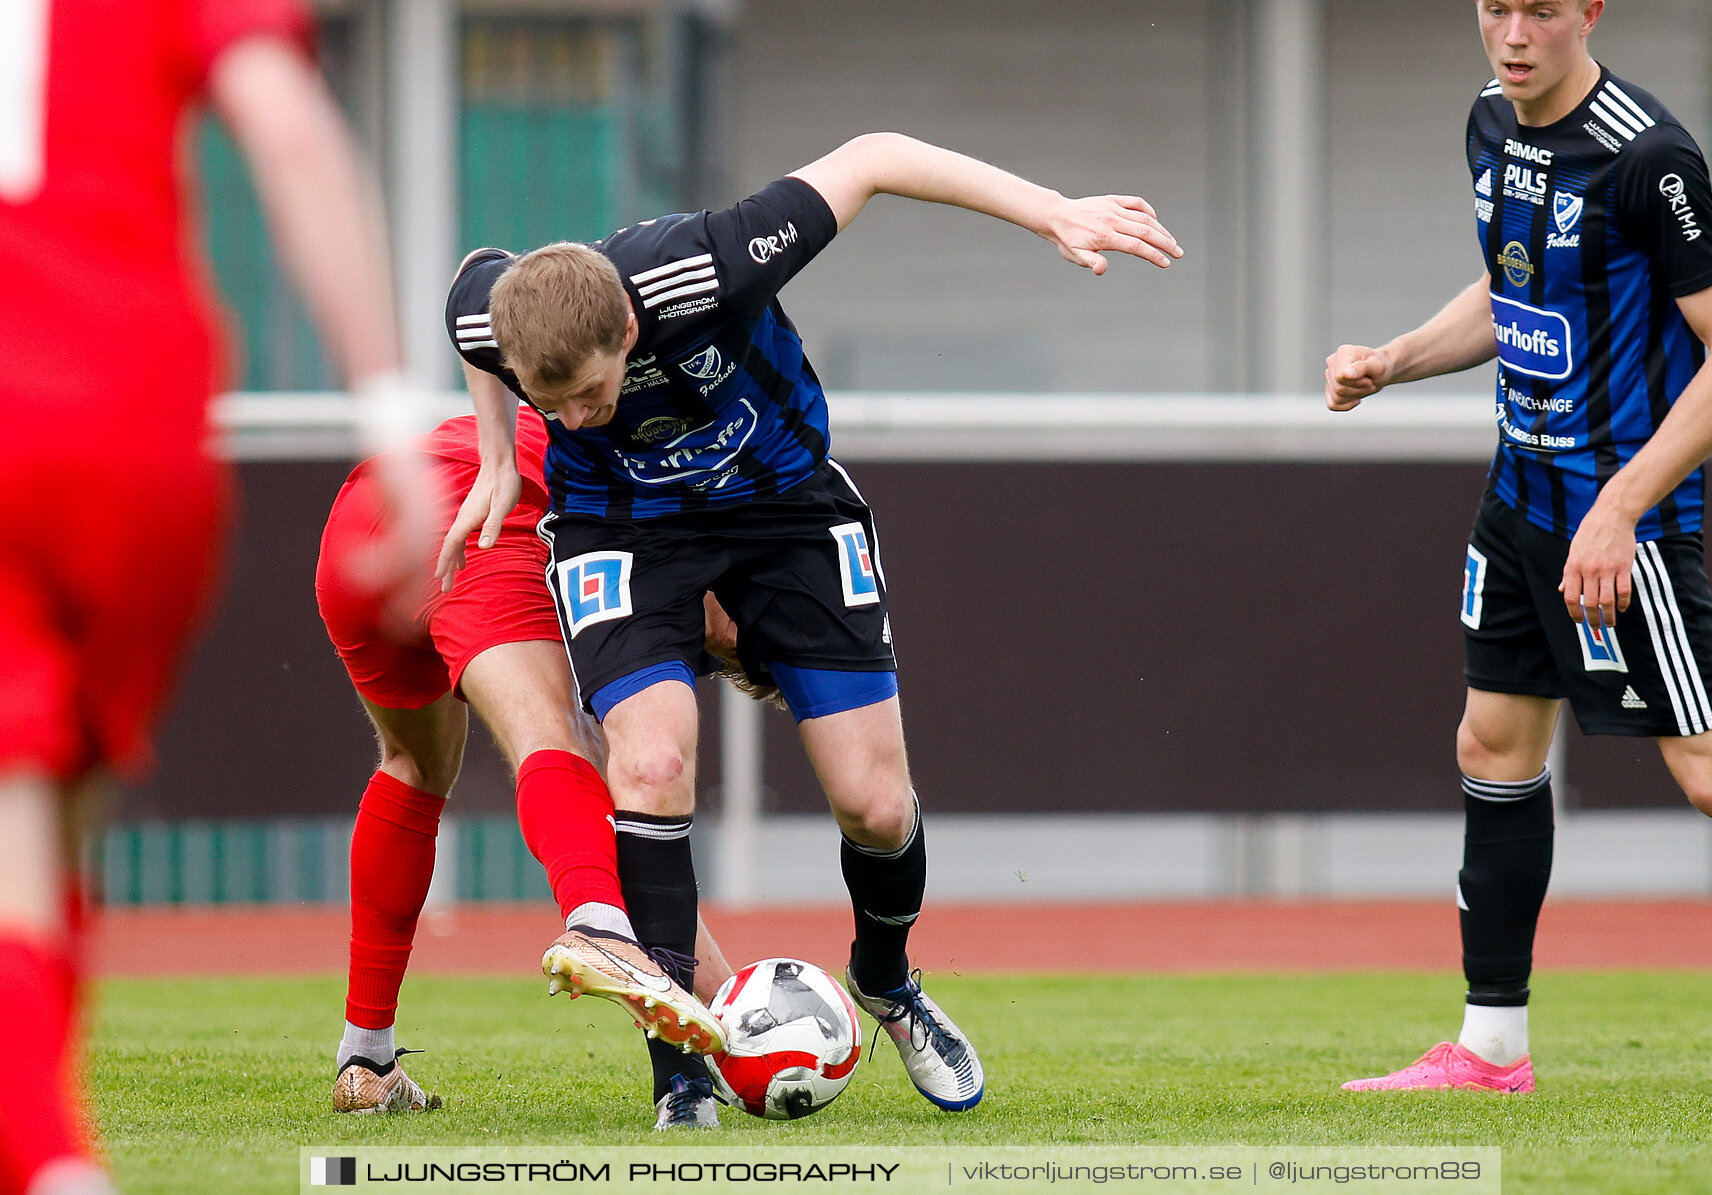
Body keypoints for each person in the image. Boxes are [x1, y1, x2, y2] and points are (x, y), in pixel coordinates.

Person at [435, 132, 1182, 1124]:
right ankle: (680, 1075)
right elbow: (469, 311)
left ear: (625, 328)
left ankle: (887, 980)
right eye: (549, 402)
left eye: (587, 395)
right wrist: (497, 447)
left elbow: (874, 155)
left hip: (784, 511)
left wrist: (1050, 208)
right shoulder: (512, 315)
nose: (571, 419)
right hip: (625, 533)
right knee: (650, 764)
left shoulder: (711, 260)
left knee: (875, 804)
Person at [0, 3, 440, 1191]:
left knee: (13, 844)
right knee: (38, 834)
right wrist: (392, 414)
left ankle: (51, 1162)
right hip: (132, 409)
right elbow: (289, 126)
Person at [1325, 0, 1712, 1093]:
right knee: (1492, 745)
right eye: (1495, 8)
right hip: (1520, 498)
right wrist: (1395, 358)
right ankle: (1491, 1051)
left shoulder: (1649, 157)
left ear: (1590, 12)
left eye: (1541, 9)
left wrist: (1621, 508)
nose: (1514, 32)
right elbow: (1513, 288)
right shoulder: (1491, 120)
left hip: (1623, 523)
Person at [315, 409, 730, 1120]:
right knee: (559, 737)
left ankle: (367, 1058)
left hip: (365, 514)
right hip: (485, 514)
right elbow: (620, 802)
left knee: (414, 762)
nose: (707, 659)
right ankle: (597, 924)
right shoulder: (696, 522)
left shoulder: (622, 413)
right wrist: (730, 1006)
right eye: (723, 657)